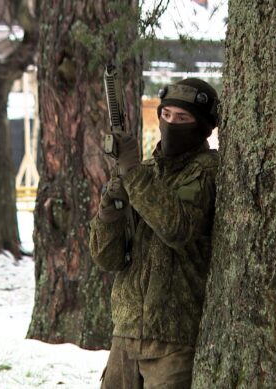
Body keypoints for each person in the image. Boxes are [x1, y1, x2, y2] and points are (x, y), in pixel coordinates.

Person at [89, 78, 220, 388]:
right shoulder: (144, 173)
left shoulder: (208, 171)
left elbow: (177, 229)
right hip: (127, 332)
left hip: (174, 339)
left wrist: (132, 174)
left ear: (202, 126)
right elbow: (108, 259)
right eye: (167, 115)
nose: (172, 123)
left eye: (183, 117)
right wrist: (110, 211)